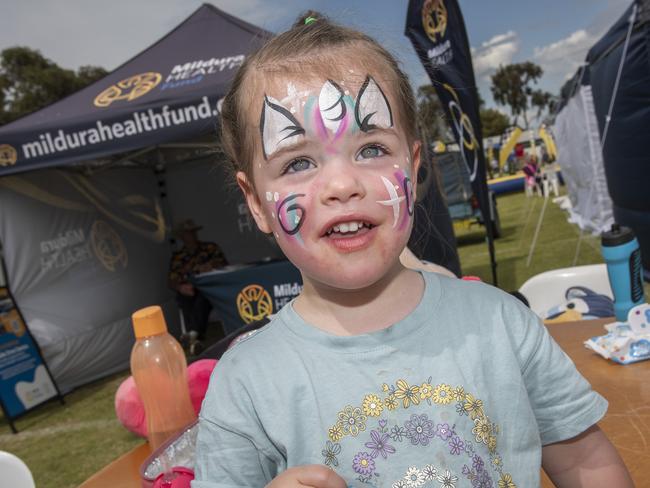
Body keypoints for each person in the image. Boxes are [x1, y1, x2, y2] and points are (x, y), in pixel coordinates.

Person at [193, 12, 632, 488]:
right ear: (256, 202)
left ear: (414, 165)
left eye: (371, 149)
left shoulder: (502, 325)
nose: (342, 184)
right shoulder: (244, 387)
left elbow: (588, 465)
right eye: (298, 161)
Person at [168, 219, 227, 351]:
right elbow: (171, 280)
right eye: (187, 233)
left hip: (208, 290)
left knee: (202, 299)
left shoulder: (210, 248)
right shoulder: (178, 256)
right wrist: (180, 287)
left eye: (192, 232)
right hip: (187, 291)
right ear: (181, 237)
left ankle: (192, 335)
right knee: (184, 299)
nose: (191, 235)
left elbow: (224, 266)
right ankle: (195, 337)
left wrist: (211, 266)